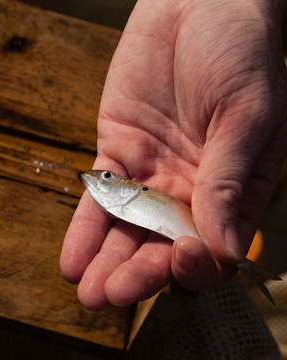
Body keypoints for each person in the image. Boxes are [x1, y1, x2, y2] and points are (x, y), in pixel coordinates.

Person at [60, 0, 287, 313]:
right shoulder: (127, 196)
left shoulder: (137, 192)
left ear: (128, 184)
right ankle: (248, 267)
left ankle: (248, 267)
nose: (102, 177)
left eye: (108, 176)